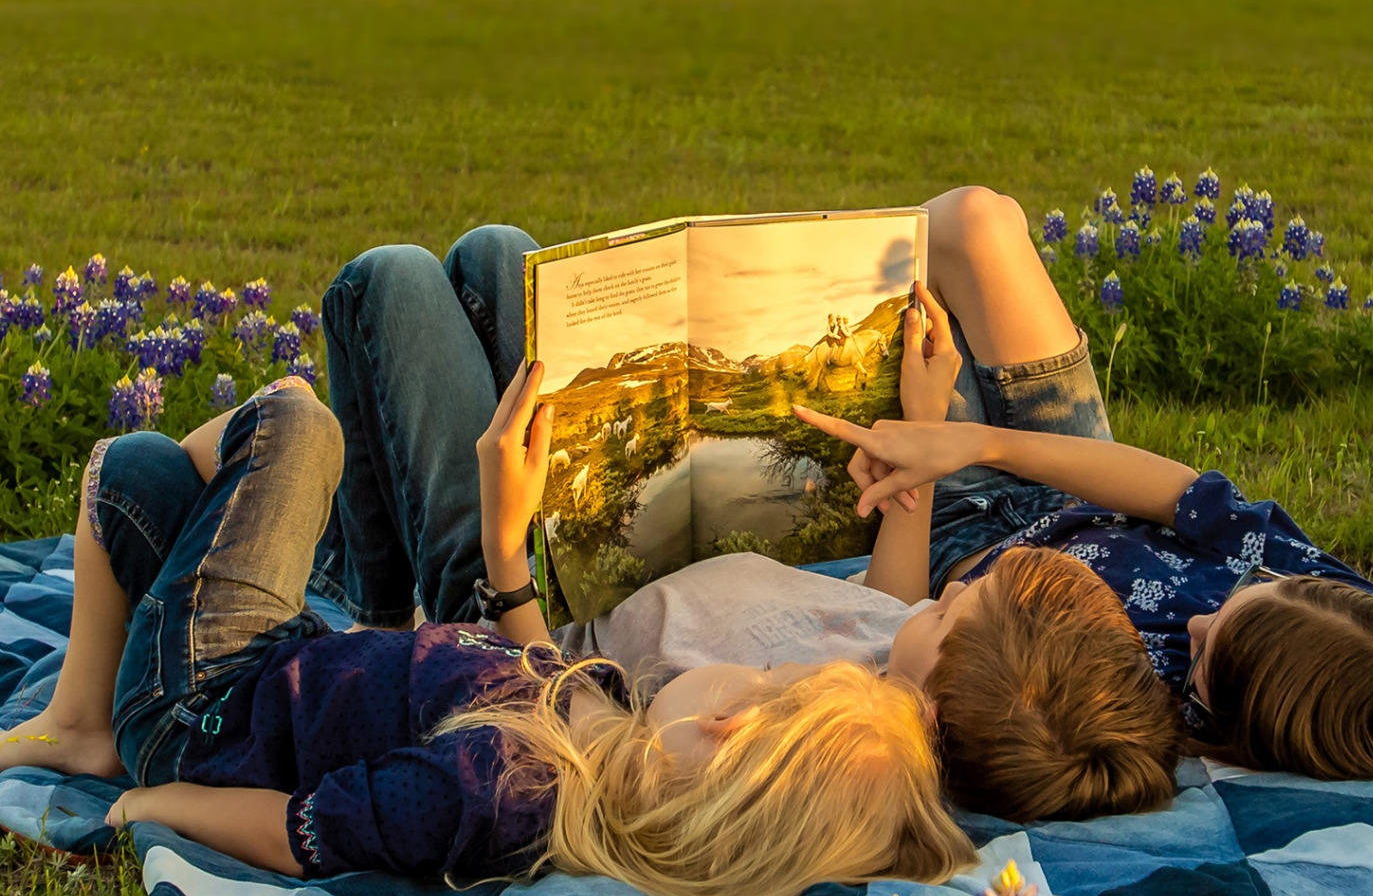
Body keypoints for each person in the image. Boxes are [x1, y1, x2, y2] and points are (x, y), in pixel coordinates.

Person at [0, 374, 974, 896]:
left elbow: (302, 828)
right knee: (139, 477)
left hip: (208, 703)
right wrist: (502, 544)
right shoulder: (601, 729)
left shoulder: (501, 784)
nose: (744, 659)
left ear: (723, 719)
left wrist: (155, 799)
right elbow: (516, 662)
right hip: (277, 657)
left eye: (762, 669)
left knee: (298, 422)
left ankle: (99, 726)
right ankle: (92, 713)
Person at [315, 231, 1180, 823]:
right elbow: (891, 602)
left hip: (518, 610)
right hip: (613, 540)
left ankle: (382, 617)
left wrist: (506, 556)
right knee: (498, 254)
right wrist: (913, 437)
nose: (954, 586)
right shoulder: (902, 653)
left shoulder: (799, 744)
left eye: (958, 611)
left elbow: (587, 739)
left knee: (386, 280)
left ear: (932, 705)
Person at [804, 186, 1373, 788]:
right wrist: (982, 442)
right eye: (1238, 601)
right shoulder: (1340, 623)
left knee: (859, 348)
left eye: (1203, 660)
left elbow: (899, 626)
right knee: (978, 220)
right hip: (1074, 467)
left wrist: (920, 447)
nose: (1199, 625)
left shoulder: (1137, 711)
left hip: (953, 536)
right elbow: (1174, 492)